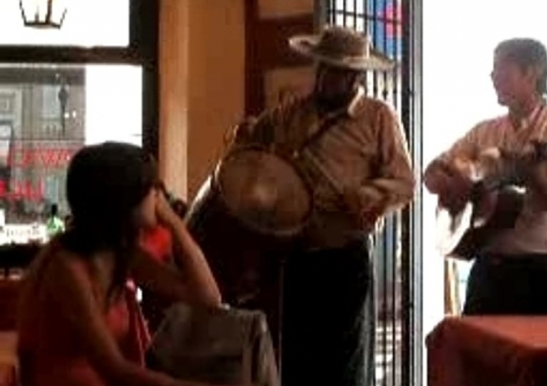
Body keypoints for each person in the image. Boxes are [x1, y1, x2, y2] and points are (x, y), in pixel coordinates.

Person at [233, 25, 415, 386]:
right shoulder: (289, 114)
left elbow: (404, 183)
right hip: (293, 255)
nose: (328, 77)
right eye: (325, 68)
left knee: (342, 364)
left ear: (355, 75)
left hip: (344, 254)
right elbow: (250, 146)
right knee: (296, 359)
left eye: (339, 71)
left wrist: (368, 195)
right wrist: (247, 137)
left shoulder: (378, 117)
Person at [16, 142, 242, 386]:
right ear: (123, 198)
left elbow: (208, 297)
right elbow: (113, 368)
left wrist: (174, 223)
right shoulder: (66, 266)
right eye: (150, 187)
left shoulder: (121, 254)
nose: (158, 195)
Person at [423, 38, 547, 315]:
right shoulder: (484, 131)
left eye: (501, 69)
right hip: (488, 269)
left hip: (541, 272)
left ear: (532, 73)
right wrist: (457, 187)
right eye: (492, 70)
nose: (492, 77)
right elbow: (430, 174)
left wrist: (533, 172)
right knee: (476, 354)